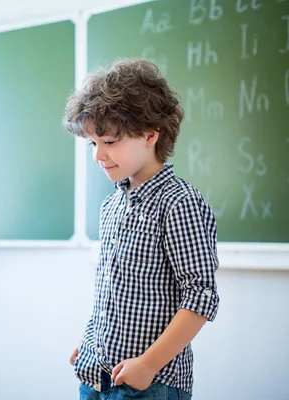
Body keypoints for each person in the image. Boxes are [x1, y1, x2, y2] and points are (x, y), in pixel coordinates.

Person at [63, 59, 219, 399]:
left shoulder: (179, 202)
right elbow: (111, 293)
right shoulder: (111, 206)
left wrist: (148, 364)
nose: (98, 155)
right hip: (96, 375)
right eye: (93, 143)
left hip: (150, 384)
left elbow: (200, 297)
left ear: (150, 134)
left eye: (109, 141)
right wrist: (92, 342)